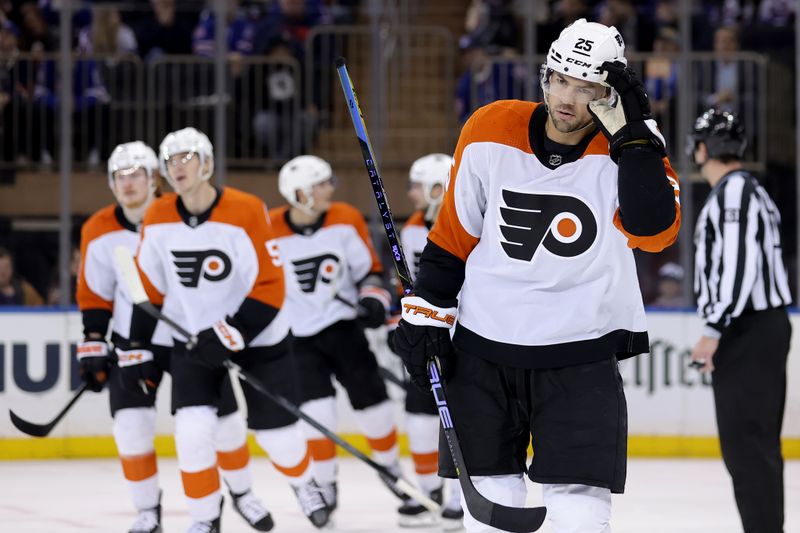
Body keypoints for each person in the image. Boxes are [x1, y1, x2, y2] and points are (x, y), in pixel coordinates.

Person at [393, 19, 681, 533]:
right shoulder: (489, 126)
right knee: (489, 505)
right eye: (560, 80)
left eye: (587, 87)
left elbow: (654, 232)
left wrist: (634, 136)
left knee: (578, 514)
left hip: (581, 355)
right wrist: (425, 314)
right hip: (482, 349)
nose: (568, 98)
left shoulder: (633, 149)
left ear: (611, 96)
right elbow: (454, 235)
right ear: (544, 76)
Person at [122, 128, 330, 532]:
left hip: (259, 336)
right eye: (170, 161)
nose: (177, 167)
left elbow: (270, 284)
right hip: (196, 340)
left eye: (186, 158)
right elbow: (148, 288)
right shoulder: (158, 215)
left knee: (278, 436)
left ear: (207, 163)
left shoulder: (246, 209)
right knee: (191, 432)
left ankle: (304, 484)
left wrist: (233, 331)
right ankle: (204, 519)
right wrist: (136, 348)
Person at [76, 141, 276, 533]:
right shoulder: (97, 229)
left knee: (225, 425)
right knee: (130, 427)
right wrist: (95, 341)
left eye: (137, 175)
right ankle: (147, 512)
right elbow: (95, 294)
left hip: (191, 338)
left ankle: (241, 493)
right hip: (136, 341)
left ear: (155, 179)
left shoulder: (177, 214)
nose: (128, 184)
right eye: (120, 176)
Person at [268, 155, 402, 515]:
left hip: (343, 329)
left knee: (374, 403)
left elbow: (370, 272)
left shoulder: (345, 218)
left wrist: (372, 300)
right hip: (298, 338)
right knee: (317, 414)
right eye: (321, 183)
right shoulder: (269, 229)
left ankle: (390, 467)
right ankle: (325, 483)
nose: (330, 189)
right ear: (299, 193)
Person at [689, 108, 791, 533]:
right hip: (754, 327)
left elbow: (738, 265)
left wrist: (713, 330)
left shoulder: (734, 193)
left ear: (702, 149)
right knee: (753, 446)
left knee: (747, 446)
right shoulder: (749, 190)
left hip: (747, 329)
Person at [389, 153, 464, 529]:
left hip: (464, 336)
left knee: (465, 414)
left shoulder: (469, 224)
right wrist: (401, 324)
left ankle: (463, 496)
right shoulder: (413, 228)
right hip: (427, 335)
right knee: (418, 417)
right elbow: (407, 286)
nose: (412, 194)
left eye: (418, 186)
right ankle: (427, 492)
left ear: (439, 187)